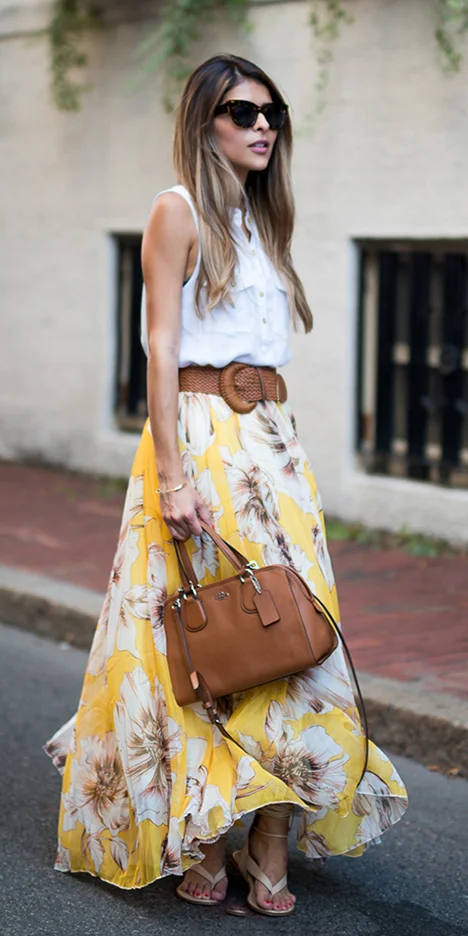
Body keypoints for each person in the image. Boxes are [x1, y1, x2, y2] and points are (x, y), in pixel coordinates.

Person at [45, 53, 408, 917]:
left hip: (272, 444)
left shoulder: (261, 220)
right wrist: (172, 475)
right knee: (203, 636)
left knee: (287, 627)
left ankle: (269, 833)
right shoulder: (176, 211)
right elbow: (162, 350)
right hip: (199, 442)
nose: (262, 127)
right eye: (243, 112)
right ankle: (206, 830)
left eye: (272, 114)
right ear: (204, 120)